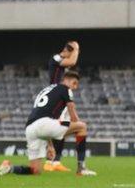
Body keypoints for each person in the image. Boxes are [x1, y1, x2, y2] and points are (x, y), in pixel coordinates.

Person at [0, 71, 96, 176]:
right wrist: (77, 124)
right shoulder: (64, 88)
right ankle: (81, 169)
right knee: (82, 127)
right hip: (43, 124)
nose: (75, 87)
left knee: (35, 170)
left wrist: (50, 146)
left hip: (30, 128)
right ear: (66, 79)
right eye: (74, 83)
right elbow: (71, 108)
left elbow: (45, 120)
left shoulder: (45, 90)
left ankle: (9, 168)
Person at [44, 41, 80, 172]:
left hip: (64, 95)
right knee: (53, 126)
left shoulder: (63, 64)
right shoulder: (56, 58)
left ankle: (56, 162)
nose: (73, 56)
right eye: (71, 52)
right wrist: (76, 48)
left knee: (64, 128)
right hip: (56, 96)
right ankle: (48, 161)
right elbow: (72, 62)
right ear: (66, 51)